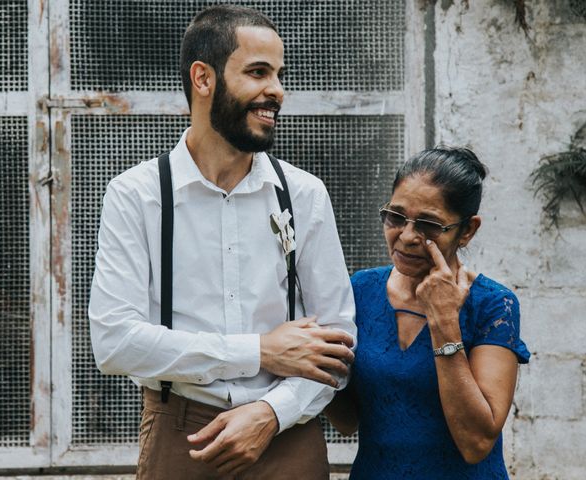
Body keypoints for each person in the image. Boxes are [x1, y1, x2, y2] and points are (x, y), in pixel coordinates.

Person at [88, 5, 356, 479]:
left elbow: (338, 343)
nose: (276, 91)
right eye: (258, 72)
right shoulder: (136, 195)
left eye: (279, 75)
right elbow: (115, 341)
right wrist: (258, 352)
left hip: (289, 434)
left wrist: (271, 413)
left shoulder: (304, 194)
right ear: (203, 78)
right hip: (181, 435)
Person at [324, 147, 530, 479]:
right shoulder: (359, 291)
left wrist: (444, 322)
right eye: (395, 217)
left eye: (429, 224)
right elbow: (347, 421)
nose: (406, 237)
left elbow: (476, 443)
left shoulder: (492, 305)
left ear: (467, 230)